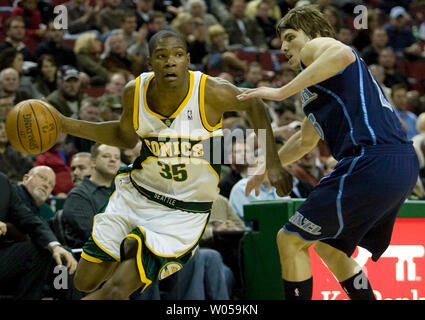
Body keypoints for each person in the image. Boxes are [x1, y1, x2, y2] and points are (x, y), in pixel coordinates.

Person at [50, 29, 291, 299]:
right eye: (161, 56)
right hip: (138, 195)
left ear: (188, 60)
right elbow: (123, 136)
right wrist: (65, 123)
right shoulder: (135, 91)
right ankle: (133, 245)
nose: (170, 61)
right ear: (150, 63)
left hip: (183, 210)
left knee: (117, 290)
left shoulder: (211, 92)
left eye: (177, 55)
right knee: (85, 281)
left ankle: (136, 248)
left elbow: (255, 105)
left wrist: (272, 163)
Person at [237, 5, 418, 300]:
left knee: (289, 239)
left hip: (370, 158)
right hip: (399, 164)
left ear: (315, 34)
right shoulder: (317, 83)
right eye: (281, 40)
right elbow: (305, 141)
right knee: (328, 245)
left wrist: (280, 92)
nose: (283, 46)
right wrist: (265, 167)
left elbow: (343, 53)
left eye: (291, 37)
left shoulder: (318, 48)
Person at [0, 172, 77, 300]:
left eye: (51, 184)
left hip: (15, 261)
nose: (46, 185)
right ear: (25, 178)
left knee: (60, 258)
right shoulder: (17, 192)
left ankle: (67, 295)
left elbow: (31, 221)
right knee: (45, 253)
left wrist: (55, 246)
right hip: (13, 255)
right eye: (42, 178)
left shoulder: (4, 183)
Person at [62, 143, 121, 249]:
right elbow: (95, 237)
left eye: (117, 157)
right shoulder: (77, 196)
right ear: (93, 162)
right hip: (93, 260)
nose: (113, 160)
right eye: (106, 156)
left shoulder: (122, 192)